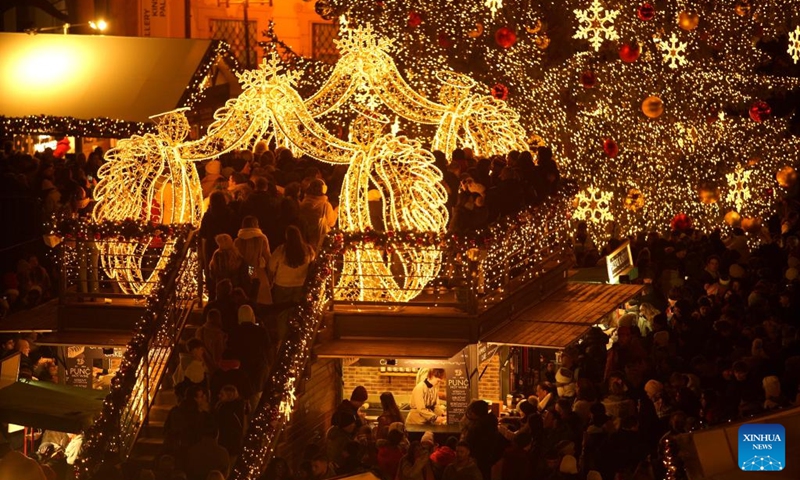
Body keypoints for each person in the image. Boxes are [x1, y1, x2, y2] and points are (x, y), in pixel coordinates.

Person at [234, 216, 272, 305]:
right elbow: (267, 256)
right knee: (261, 297)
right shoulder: (262, 239)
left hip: (243, 271)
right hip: (258, 269)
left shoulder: (237, 241)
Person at [298, 178, 337, 251]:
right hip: (320, 241)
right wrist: (336, 211)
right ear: (324, 190)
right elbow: (331, 223)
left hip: (306, 241)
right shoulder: (326, 205)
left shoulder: (303, 204)